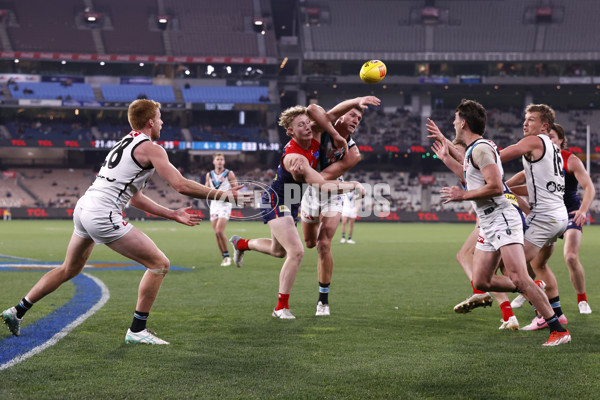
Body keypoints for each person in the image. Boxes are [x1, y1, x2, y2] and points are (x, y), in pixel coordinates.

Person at [1, 99, 250, 344]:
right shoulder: (152, 148)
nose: (163, 122)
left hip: (85, 206)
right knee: (159, 264)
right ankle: (137, 330)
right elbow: (181, 185)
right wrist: (227, 195)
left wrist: (172, 214)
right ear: (151, 121)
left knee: (70, 268)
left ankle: (17, 310)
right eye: (160, 118)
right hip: (102, 213)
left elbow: (136, 199)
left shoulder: (124, 142)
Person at [438, 99, 569, 346]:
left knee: (518, 275)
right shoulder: (477, 150)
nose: (524, 123)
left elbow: (496, 182)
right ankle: (535, 289)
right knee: (482, 280)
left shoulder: (493, 147)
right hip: (495, 221)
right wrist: (448, 156)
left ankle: (556, 326)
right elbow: (478, 178)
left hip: (509, 218)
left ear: (463, 123)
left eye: (530, 119)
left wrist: (462, 192)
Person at [229, 105, 364, 319]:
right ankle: (280, 307)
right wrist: (353, 185)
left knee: (278, 251)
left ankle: (241, 243)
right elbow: (320, 184)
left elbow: (322, 115)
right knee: (297, 251)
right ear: (291, 131)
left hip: (291, 201)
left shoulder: (313, 142)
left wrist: (356, 100)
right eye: (301, 125)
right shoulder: (296, 158)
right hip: (276, 201)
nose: (308, 127)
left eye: (307, 123)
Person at [428, 127, 527, 330]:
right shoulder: (482, 161)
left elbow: (469, 172)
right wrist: (446, 155)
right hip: (510, 214)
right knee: (504, 271)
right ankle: (528, 308)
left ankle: (499, 297)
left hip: (498, 218)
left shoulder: (477, 158)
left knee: (465, 256)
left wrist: (446, 145)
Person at [300, 96, 380, 317]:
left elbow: (322, 179)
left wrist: (351, 185)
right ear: (341, 115)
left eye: (360, 118)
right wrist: (358, 100)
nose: (356, 120)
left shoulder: (353, 153)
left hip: (332, 191)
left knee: (323, 245)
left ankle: (323, 301)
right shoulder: (325, 127)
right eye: (353, 114)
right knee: (308, 243)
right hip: (310, 193)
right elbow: (312, 108)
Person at [511, 123, 595, 314]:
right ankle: (530, 287)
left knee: (571, 256)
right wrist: (501, 185)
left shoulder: (570, 160)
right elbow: (524, 179)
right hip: (546, 215)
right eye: (546, 137)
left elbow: (589, 187)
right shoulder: (540, 160)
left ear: (561, 140)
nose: (547, 141)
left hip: (570, 213)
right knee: (535, 262)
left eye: (552, 138)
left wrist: (583, 211)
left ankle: (582, 299)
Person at [500, 104, 570, 331]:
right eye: (525, 119)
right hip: (557, 214)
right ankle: (555, 312)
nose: (525, 123)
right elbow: (535, 187)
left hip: (545, 218)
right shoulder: (553, 148)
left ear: (544, 126)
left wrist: (476, 155)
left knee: (509, 268)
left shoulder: (534, 141)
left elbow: (500, 156)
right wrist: (505, 188)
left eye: (531, 119)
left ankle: (542, 310)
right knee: (536, 264)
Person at [205, 152, 238, 267]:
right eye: (218, 159)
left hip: (225, 204)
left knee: (219, 230)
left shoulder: (229, 173)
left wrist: (229, 195)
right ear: (214, 161)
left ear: (224, 162)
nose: (220, 161)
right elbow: (205, 189)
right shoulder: (209, 175)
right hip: (214, 205)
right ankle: (225, 257)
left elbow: (236, 189)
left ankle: (229, 256)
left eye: (221, 159)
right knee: (216, 233)